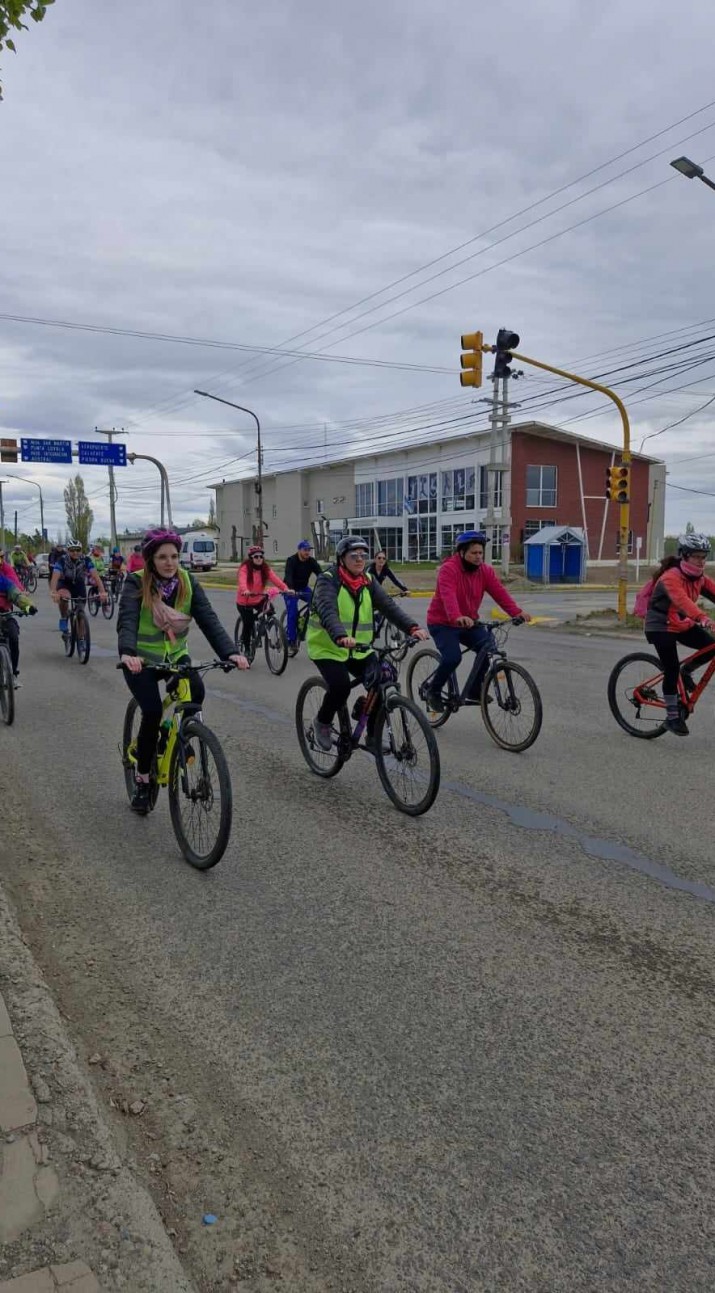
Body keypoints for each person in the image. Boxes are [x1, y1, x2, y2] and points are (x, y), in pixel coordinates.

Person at [117, 528, 248, 813]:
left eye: (174, 556)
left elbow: (209, 619)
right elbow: (127, 619)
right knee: (151, 710)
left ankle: (184, 736)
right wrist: (128, 653)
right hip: (142, 661)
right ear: (150, 559)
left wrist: (231, 653)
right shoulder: (136, 582)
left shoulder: (187, 581)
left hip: (176, 656)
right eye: (162, 557)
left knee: (196, 691)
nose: (170, 562)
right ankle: (142, 778)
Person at [306, 536, 428, 751]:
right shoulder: (328, 579)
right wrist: (340, 635)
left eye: (363, 555)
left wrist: (412, 627)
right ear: (342, 559)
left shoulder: (368, 581)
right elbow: (327, 610)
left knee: (384, 677)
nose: (359, 559)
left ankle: (372, 735)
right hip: (329, 647)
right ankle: (322, 722)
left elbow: (388, 606)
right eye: (354, 555)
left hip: (359, 649)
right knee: (340, 686)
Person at [424, 531, 531, 711]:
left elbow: (499, 593)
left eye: (480, 553)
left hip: (469, 622)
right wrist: (457, 616)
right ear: (462, 552)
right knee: (452, 658)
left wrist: (517, 612)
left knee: (488, 648)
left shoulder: (485, 571)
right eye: (474, 553)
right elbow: (447, 595)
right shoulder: (449, 569)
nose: (478, 557)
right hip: (442, 622)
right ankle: (433, 691)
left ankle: (474, 690)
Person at [644, 532, 715, 735]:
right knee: (671, 668)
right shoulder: (670, 578)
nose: (701, 561)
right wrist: (704, 619)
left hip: (680, 623)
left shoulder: (699, 578)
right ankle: (672, 717)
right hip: (660, 626)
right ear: (684, 555)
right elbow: (683, 602)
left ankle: (687, 672)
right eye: (696, 556)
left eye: (704, 556)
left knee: (711, 647)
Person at [235, 545, 288, 653]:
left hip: (258, 598)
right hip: (244, 602)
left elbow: (275, 579)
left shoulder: (265, 568)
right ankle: (247, 649)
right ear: (251, 558)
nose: (259, 558)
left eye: (261, 556)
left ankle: (265, 630)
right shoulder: (245, 568)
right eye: (256, 557)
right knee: (248, 624)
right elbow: (242, 581)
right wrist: (245, 590)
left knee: (271, 611)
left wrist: (285, 589)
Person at [50, 538, 107, 633]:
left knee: (80, 613)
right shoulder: (62, 560)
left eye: (78, 550)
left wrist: (102, 591)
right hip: (65, 583)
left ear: (81, 550)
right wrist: (53, 592)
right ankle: (63, 617)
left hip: (79, 584)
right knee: (64, 598)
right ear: (68, 551)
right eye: (72, 550)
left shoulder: (86, 560)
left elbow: (96, 576)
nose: (75, 552)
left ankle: (81, 640)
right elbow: (55, 577)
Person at [0, 548, 37, 685]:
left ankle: (13, 674)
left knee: (14, 637)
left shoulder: (4, 581)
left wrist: (28, 607)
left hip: (4, 614)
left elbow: (16, 594)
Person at [283, 540, 322, 655]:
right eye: (305, 550)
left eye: (309, 550)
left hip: (304, 588)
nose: (307, 552)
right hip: (290, 589)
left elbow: (320, 574)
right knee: (293, 613)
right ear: (299, 550)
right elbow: (288, 575)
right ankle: (291, 641)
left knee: (317, 604)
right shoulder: (291, 560)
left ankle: (304, 624)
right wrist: (291, 589)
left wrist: (326, 585)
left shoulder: (311, 561)